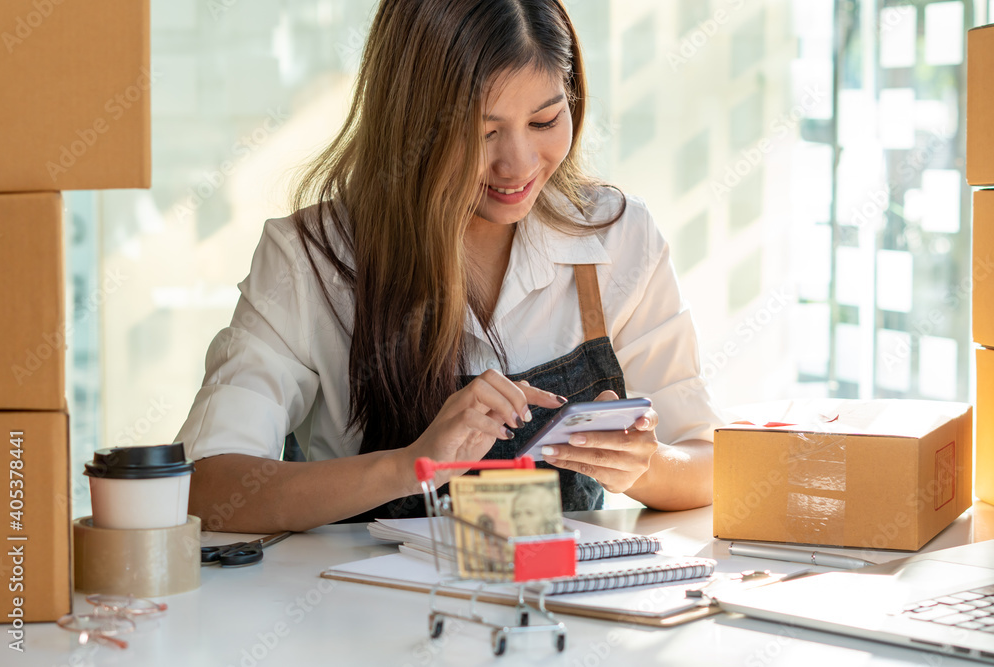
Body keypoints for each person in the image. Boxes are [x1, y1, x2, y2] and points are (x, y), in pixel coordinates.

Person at [176, 0, 722, 533]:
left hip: (567, 613)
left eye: (544, 120)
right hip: (361, 620)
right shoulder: (310, 258)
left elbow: (710, 463)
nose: (518, 165)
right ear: (411, 123)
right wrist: (410, 464)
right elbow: (208, 487)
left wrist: (645, 466)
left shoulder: (617, 237)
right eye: (482, 132)